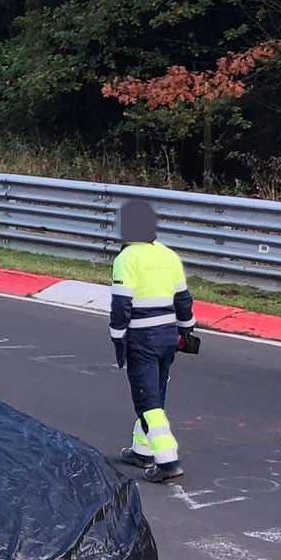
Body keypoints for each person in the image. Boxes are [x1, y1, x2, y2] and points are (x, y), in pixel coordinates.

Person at [109, 199, 195, 480]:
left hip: (141, 337)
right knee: (155, 394)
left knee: (146, 402)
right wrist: (186, 329)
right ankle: (141, 450)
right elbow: (183, 300)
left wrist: (117, 335)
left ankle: (168, 460)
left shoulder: (127, 258)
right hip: (168, 336)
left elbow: (121, 305)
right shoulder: (169, 256)